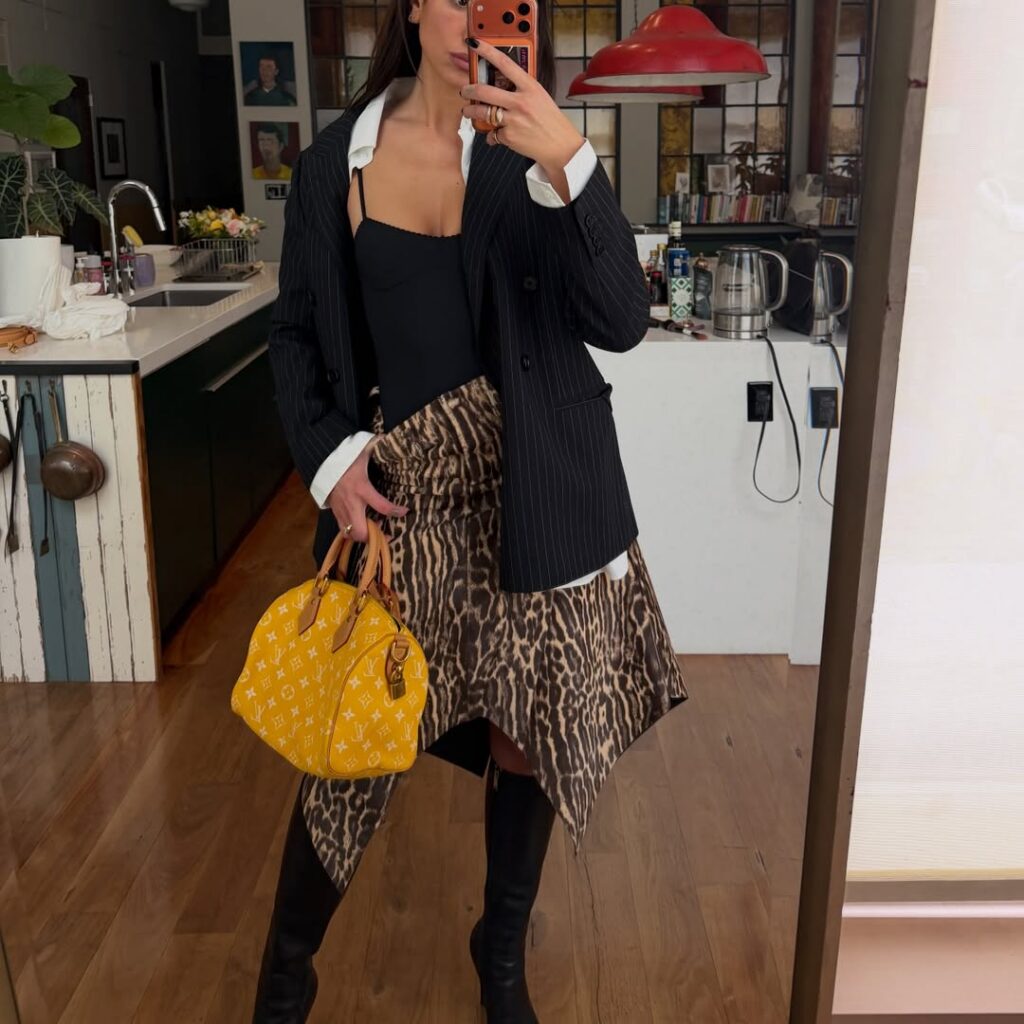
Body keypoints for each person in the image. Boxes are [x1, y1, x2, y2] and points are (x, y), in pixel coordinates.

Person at [256, 0, 688, 1019]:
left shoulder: (535, 150)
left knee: (525, 732)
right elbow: (296, 339)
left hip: (537, 486)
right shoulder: (335, 165)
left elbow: (622, 321)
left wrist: (570, 164)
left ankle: (500, 952)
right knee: (355, 745)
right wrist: (330, 461)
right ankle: (283, 974)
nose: (475, 21)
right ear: (415, 6)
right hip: (404, 505)